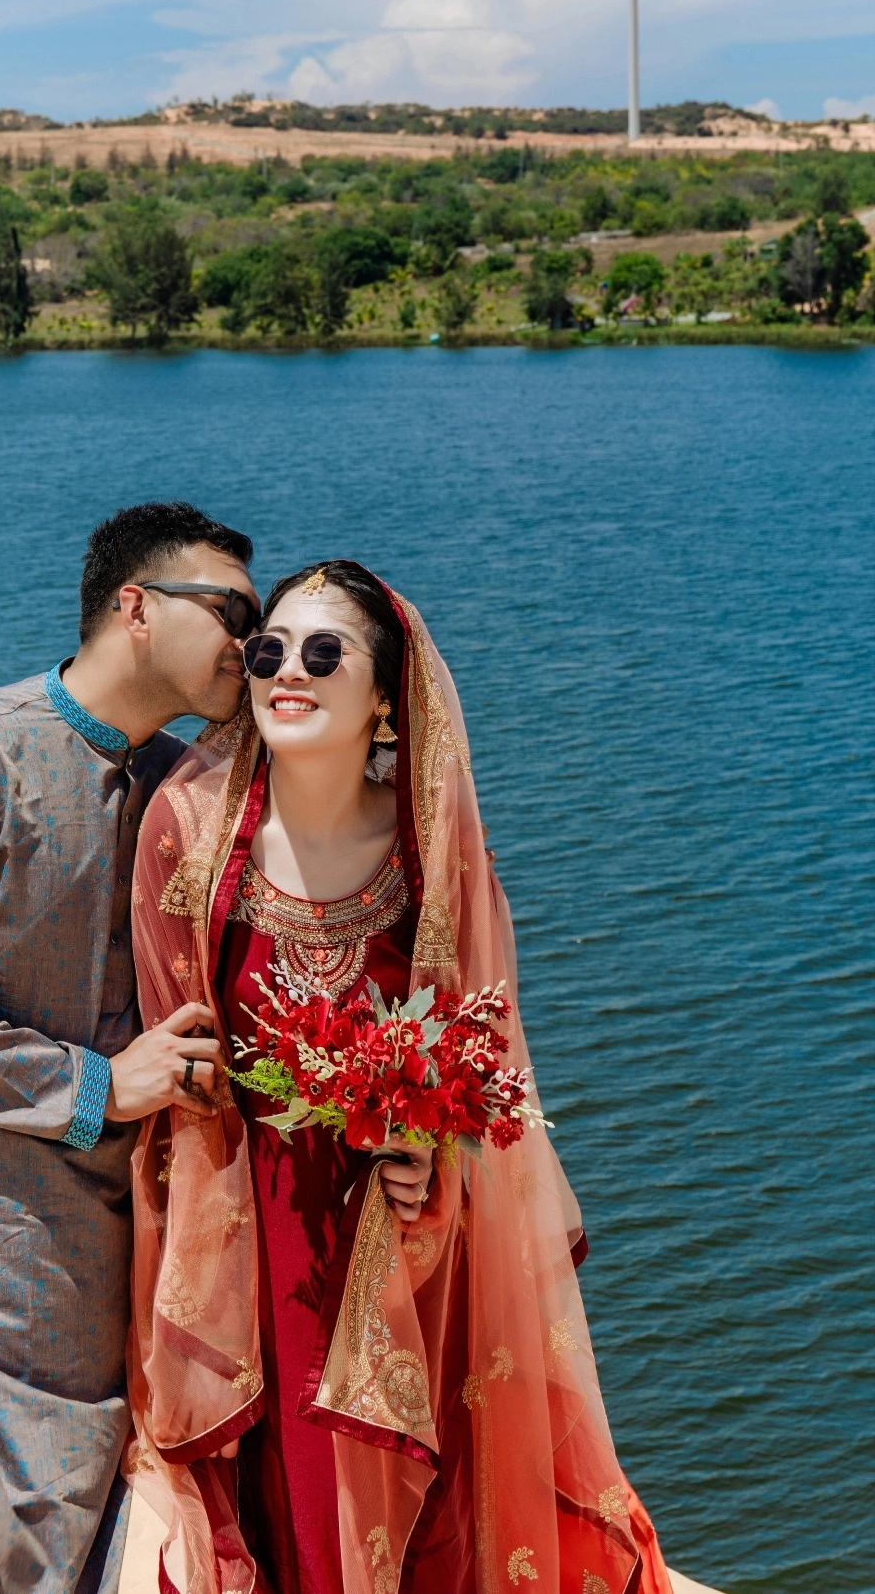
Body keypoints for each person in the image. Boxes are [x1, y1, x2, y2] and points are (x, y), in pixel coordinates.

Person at [124, 560, 673, 1594]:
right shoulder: (188, 833)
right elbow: (180, 1065)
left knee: (435, 1528)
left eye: (324, 652)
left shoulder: (430, 850)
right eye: (270, 649)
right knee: (289, 1520)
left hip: (413, 1245)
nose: (288, 671)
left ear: (385, 699)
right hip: (253, 1235)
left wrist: (433, 1154)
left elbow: (483, 1057)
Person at [0, 501, 262, 1594]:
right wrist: (96, 1086)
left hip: (144, 1251)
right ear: (135, 606)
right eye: (231, 611)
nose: (250, 640)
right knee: (27, 1551)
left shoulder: (188, 784)